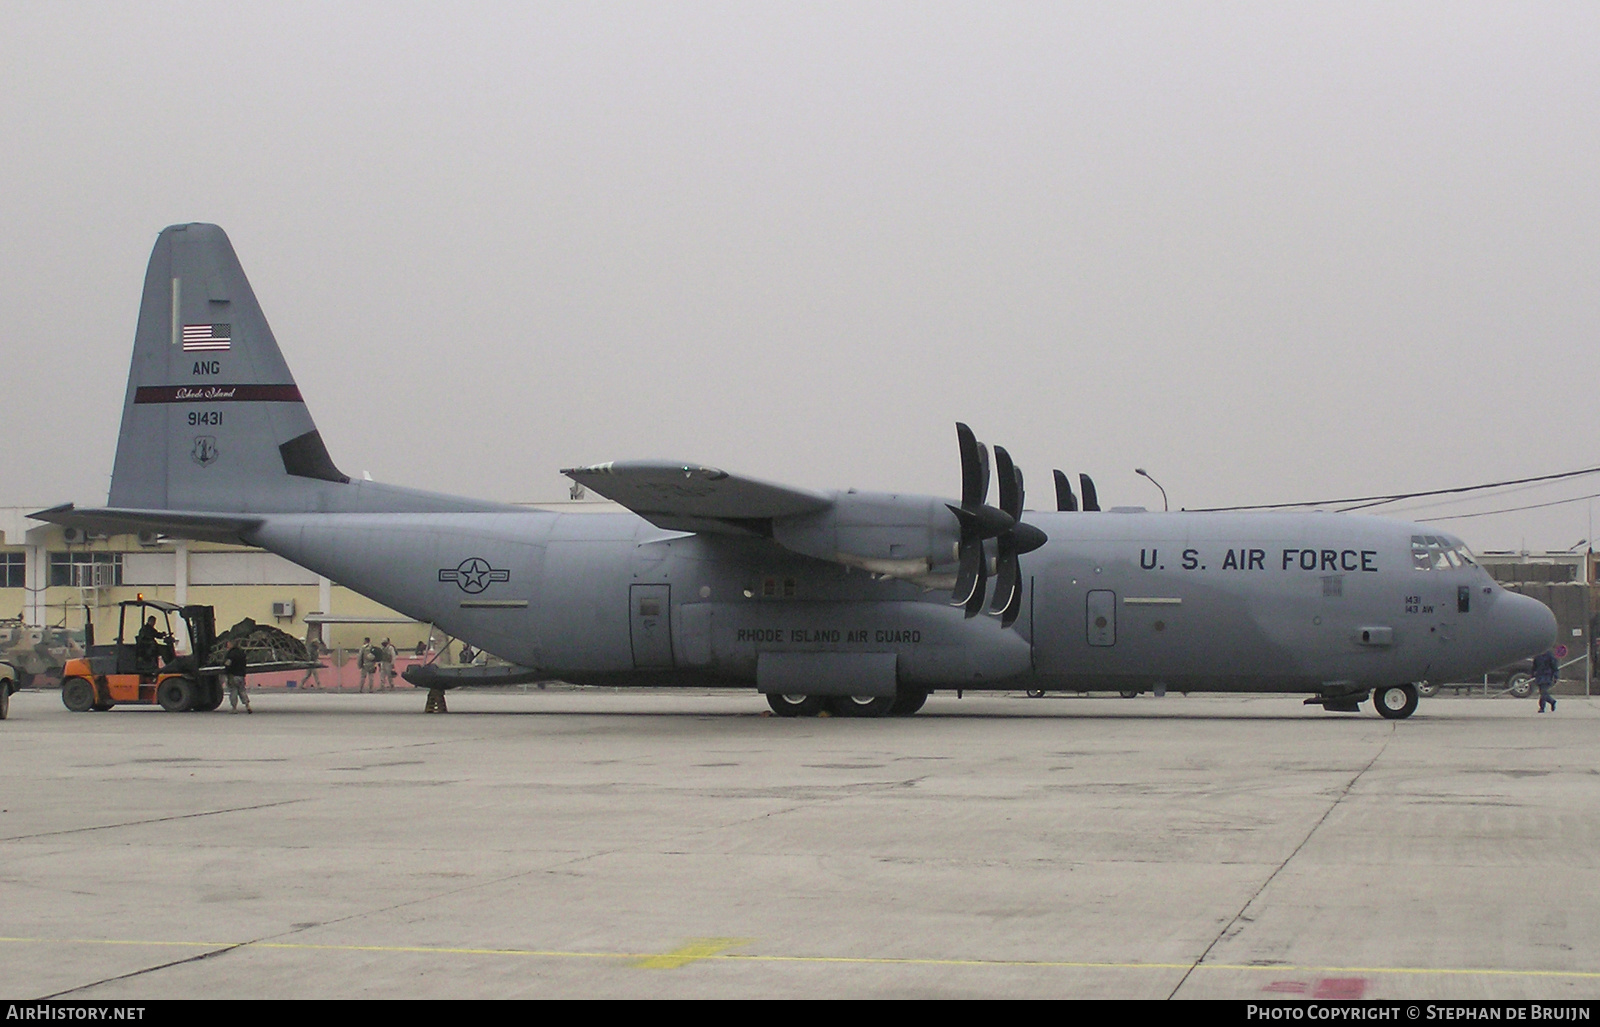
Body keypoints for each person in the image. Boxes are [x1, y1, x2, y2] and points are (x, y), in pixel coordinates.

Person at [224, 640, 252, 713]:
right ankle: (247, 705)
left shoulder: (231, 654)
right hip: (241, 675)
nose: (227, 645)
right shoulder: (241, 653)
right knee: (242, 691)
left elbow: (228, 664)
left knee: (233, 692)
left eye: (228, 643)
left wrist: (226, 671)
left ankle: (234, 708)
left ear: (232, 644)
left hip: (233, 675)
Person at [1532, 647, 1559, 713]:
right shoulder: (1537, 656)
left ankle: (1542, 707)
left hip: (1547, 676)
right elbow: (1534, 666)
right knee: (1542, 692)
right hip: (1539, 676)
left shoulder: (1549, 656)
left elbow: (1554, 667)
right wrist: (1532, 674)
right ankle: (1552, 701)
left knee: (1543, 692)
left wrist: (1555, 676)